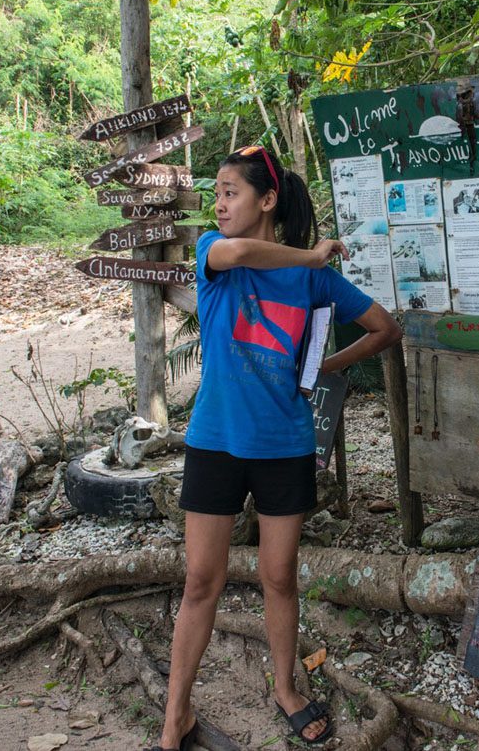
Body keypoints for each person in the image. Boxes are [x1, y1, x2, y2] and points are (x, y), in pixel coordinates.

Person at [149, 145, 402, 750]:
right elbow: (240, 252)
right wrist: (310, 252)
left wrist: (320, 369)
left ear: (266, 200)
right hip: (216, 440)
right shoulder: (215, 251)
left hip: (284, 445)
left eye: (231, 192)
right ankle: (176, 712)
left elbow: (386, 329)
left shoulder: (313, 280)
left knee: (279, 577)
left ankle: (285, 687)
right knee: (200, 581)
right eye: (216, 193)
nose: (219, 203)